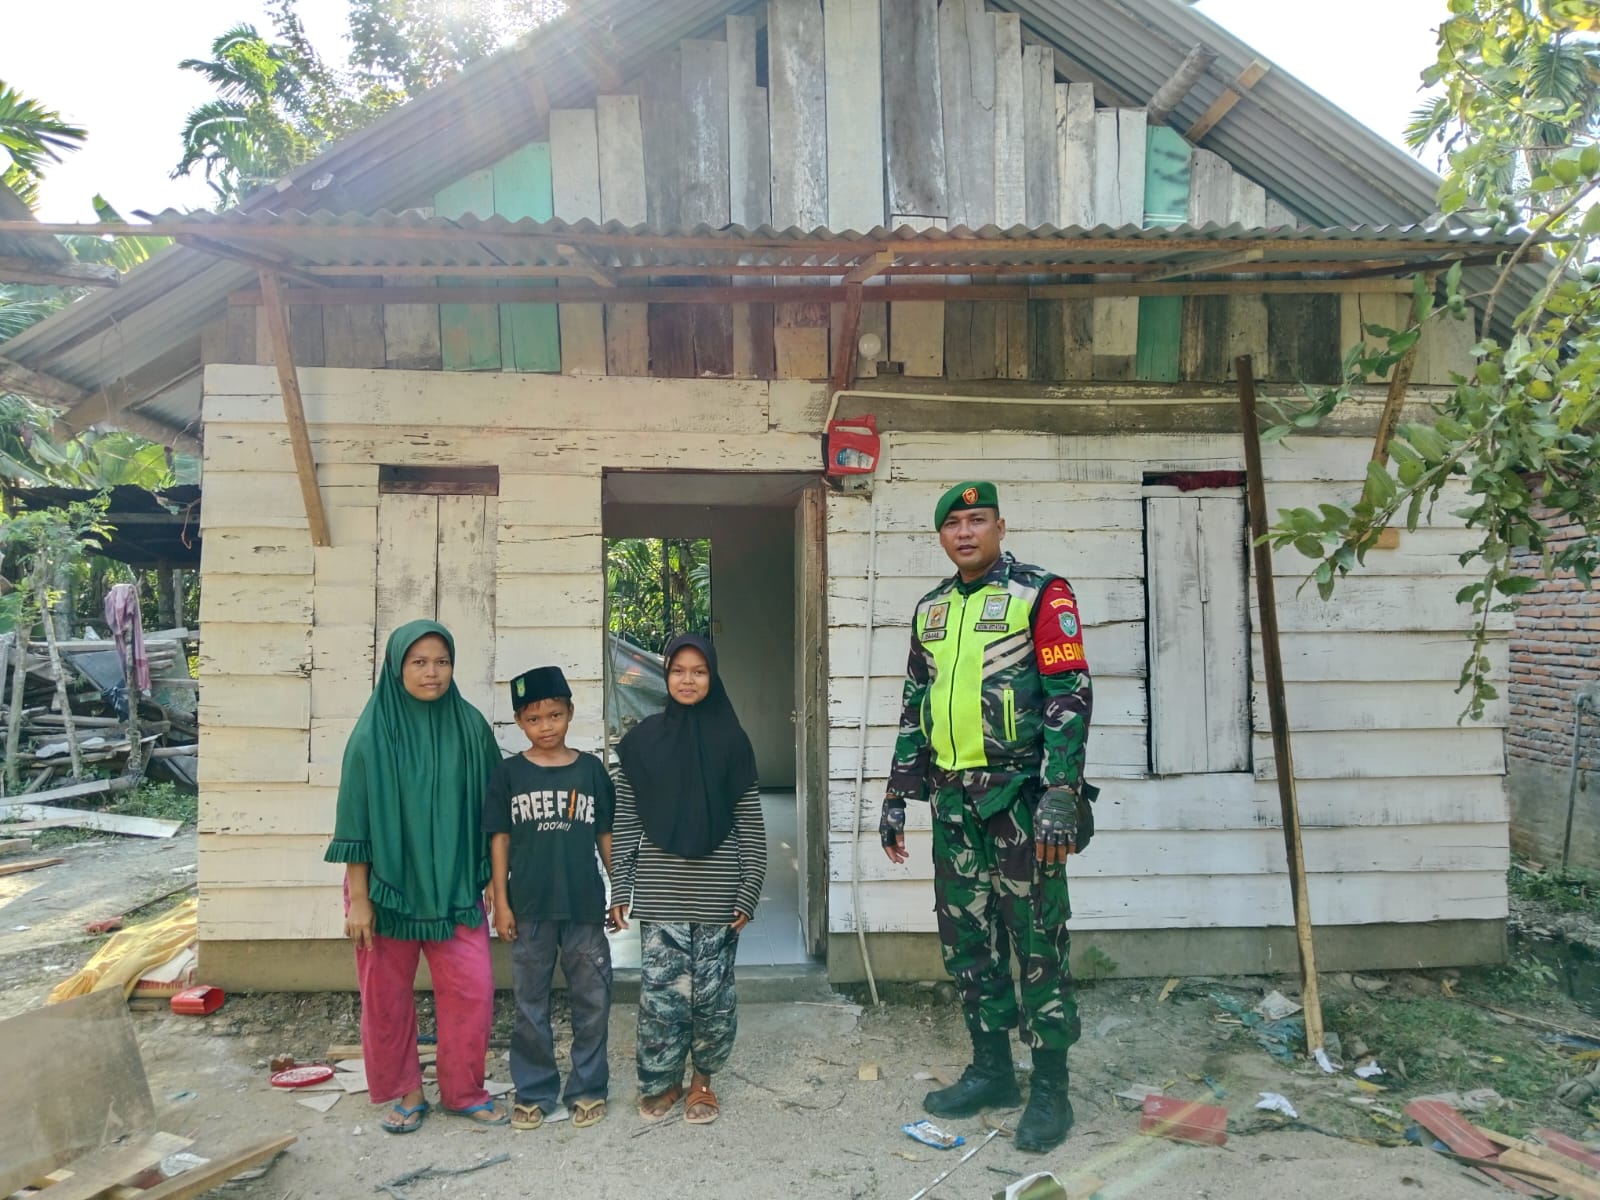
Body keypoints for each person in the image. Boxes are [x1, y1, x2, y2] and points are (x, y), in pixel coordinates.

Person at [879, 482, 1093, 1154]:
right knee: (966, 942)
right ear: (940, 536)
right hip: (952, 806)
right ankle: (993, 1069)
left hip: (1023, 803)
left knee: (1036, 941)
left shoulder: (1041, 593)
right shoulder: (932, 609)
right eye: (953, 524)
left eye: (977, 520)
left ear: (1001, 525)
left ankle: (1050, 1089)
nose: (965, 532)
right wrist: (896, 793)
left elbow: (1070, 691)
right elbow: (918, 701)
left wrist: (1061, 787)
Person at [324, 619, 509, 1133]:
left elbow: (493, 813)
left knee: (472, 989)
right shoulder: (371, 733)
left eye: (442, 662)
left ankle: (464, 1090)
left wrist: (496, 879)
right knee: (385, 999)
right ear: (397, 666)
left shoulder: (471, 727)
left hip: (453, 883)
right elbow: (355, 823)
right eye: (419, 662)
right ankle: (406, 1090)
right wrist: (359, 898)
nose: (432, 673)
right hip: (384, 889)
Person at [608, 634, 767, 1126]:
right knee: (661, 995)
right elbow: (628, 822)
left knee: (713, 997)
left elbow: (751, 825)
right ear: (666, 675)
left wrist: (750, 887)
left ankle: (703, 1080)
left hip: (719, 896)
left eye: (699, 671)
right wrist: (621, 887)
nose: (688, 679)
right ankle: (662, 1080)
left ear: (712, 677)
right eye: (678, 670)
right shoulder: (642, 743)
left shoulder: (732, 742)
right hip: (661, 894)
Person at [484, 665, 615, 1131]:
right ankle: (535, 1090)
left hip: (583, 905)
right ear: (520, 721)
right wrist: (501, 901)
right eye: (534, 718)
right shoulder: (509, 773)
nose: (546, 727)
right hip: (529, 907)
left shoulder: (590, 770)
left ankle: (587, 1087)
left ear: (570, 713)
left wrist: (619, 888)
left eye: (554, 716)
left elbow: (605, 834)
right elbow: (499, 840)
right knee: (529, 1004)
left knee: (593, 999)